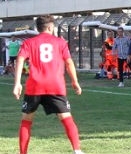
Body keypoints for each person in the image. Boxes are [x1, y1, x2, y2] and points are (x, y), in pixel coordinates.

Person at [12, 15, 84, 154]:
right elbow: (69, 62)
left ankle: (23, 153)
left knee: (26, 121)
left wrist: (17, 83)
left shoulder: (29, 42)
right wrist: (75, 82)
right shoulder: (60, 42)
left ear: (38, 28)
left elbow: (20, 60)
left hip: (35, 85)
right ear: (51, 27)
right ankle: (77, 150)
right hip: (55, 85)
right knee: (66, 118)